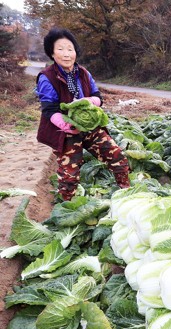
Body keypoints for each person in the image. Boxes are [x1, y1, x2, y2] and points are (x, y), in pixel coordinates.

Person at [36, 27, 130, 201]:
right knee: (69, 176)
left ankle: (126, 192)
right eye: (60, 49)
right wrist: (67, 125)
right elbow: (49, 109)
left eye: (70, 49)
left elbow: (98, 97)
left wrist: (89, 102)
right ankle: (66, 207)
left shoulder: (84, 73)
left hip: (90, 128)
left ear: (75, 52)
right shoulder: (46, 77)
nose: (66, 54)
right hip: (65, 133)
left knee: (117, 157)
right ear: (52, 53)